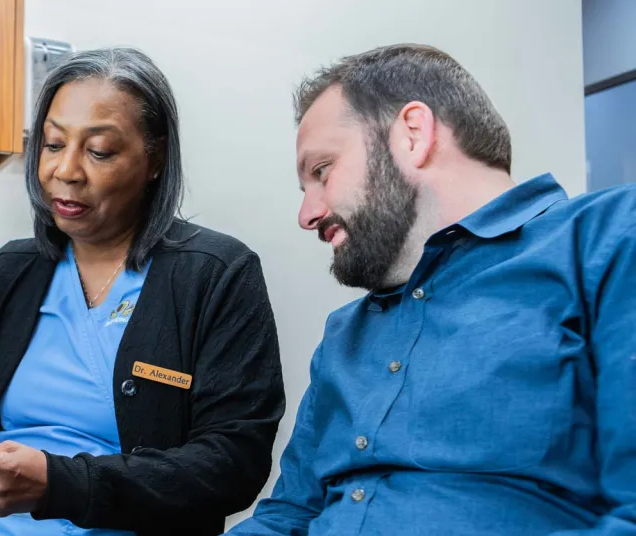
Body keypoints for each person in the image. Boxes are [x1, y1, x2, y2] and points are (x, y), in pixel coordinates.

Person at [0, 47, 285, 536]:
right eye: (52, 144)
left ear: (155, 158)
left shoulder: (215, 274)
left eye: (99, 150)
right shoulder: (10, 271)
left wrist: (57, 485)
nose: (66, 171)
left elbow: (233, 463)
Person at [228, 43, 636, 535]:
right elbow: (289, 514)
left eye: (322, 171)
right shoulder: (344, 334)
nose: (307, 214)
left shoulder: (607, 240)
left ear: (413, 134)